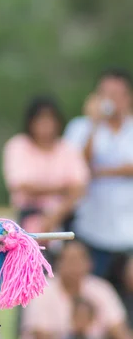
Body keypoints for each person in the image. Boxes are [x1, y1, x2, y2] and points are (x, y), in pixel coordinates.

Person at [63, 68, 133, 283]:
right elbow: (76, 168)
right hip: (91, 230)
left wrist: (100, 171)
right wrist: (93, 124)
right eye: (105, 94)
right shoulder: (80, 127)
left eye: (116, 94)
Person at [3, 96, 89, 236]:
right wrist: (62, 188)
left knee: (74, 252)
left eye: (50, 119)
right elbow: (20, 185)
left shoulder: (67, 148)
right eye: (40, 120)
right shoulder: (18, 145)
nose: (45, 125)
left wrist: (55, 215)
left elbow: (79, 188)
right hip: (27, 216)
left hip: (64, 217)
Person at [21, 241, 131, 339]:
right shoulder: (42, 290)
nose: (75, 266)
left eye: (79, 260)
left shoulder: (102, 289)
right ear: (58, 264)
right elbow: (40, 335)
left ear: (89, 264)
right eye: (70, 260)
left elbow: (120, 331)